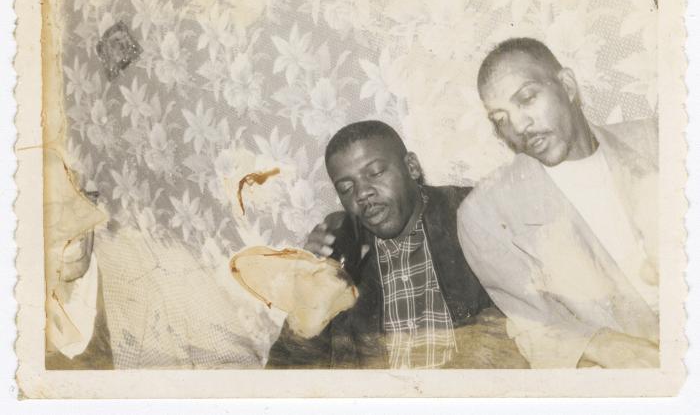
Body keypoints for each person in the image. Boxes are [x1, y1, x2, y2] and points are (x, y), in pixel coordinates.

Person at [457, 37, 659, 369]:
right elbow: (534, 326)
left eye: (527, 98)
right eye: (500, 118)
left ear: (567, 85)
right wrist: (600, 345)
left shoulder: (658, 140)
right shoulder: (484, 213)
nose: (518, 126)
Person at [267, 120, 524, 369]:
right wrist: (310, 293)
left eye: (376, 172)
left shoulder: (473, 212)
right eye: (346, 188)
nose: (362, 193)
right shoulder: (344, 248)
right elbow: (284, 375)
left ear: (411, 167)